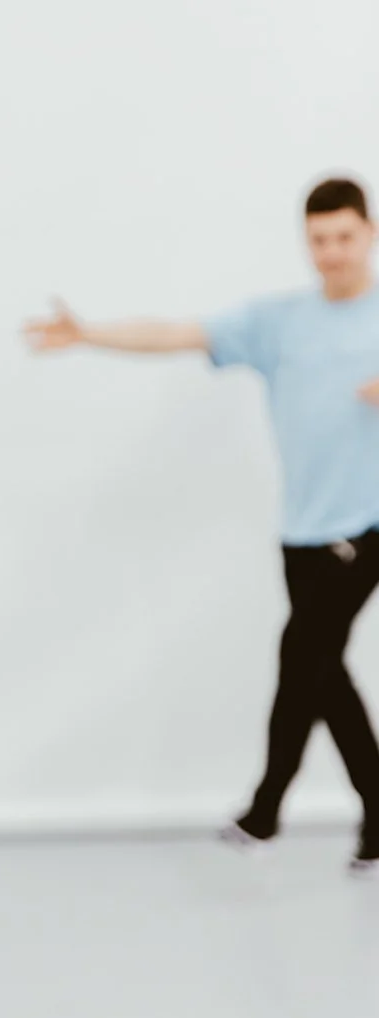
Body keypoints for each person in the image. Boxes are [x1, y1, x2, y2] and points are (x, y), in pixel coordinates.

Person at [24, 176, 379, 874]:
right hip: (301, 532)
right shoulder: (282, 320)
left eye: (344, 237)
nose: (331, 253)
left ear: (369, 234)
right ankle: (374, 818)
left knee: (299, 658)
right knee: (322, 671)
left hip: (366, 528)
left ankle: (265, 809)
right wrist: (91, 332)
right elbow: (178, 333)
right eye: (319, 240)